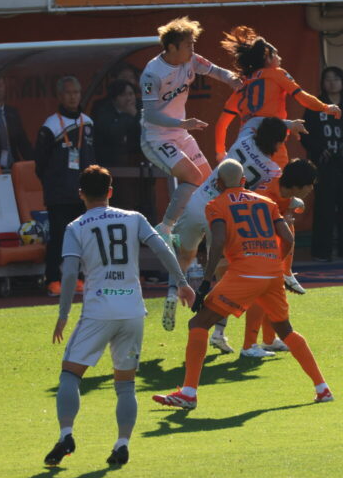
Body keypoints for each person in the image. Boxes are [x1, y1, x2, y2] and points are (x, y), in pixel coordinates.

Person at [43, 165, 194, 467]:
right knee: (125, 384)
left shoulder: (75, 227)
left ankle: (66, 435)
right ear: (111, 191)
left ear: (81, 194)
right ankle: (122, 444)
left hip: (98, 311)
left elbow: (70, 273)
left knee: (70, 374)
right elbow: (163, 249)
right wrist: (181, 282)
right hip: (132, 311)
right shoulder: (134, 218)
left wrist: (63, 313)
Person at [152, 159, 333, 410]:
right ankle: (322, 388)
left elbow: (217, 242)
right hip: (271, 272)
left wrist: (206, 281)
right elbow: (288, 238)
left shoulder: (216, 204)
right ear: (244, 181)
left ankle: (189, 393)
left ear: (217, 183)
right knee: (285, 330)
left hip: (245, 273)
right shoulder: (267, 202)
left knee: (198, 323)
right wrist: (275, 263)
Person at [214, 25, 341, 291]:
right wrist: (326, 107)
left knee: (243, 209)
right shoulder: (276, 74)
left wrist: (220, 152)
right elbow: (302, 97)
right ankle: (285, 271)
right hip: (270, 147)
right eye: (276, 53)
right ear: (268, 57)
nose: (280, 57)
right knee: (284, 208)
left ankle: (238, 266)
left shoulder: (243, 85)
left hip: (244, 150)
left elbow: (222, 122)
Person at [163, 117, 295, 354]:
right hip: (224, 214)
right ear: (277, 142)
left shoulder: (244, 139)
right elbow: (258, 197)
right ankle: (218, 333)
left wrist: (289, 123)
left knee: (184, 255)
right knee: (225, 278)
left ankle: (173, 292)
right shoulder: (272, 170)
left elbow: (255, 119)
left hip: (198, 204)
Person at [139, 17, 242, 248]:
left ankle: (197, 231)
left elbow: (217, 71)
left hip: (180, 132)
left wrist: (234, 80)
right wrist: (183, 123)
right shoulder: (152, 74)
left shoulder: (191, 60)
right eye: (188, 45)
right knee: (193, 178)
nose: (193, 49)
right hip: (156, 138)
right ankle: (165, 229)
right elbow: (151, 115)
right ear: (172, 47)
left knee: (210, 182)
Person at [240, 158, 318, 356]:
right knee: (260, 297)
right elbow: (261, 228)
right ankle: (248, 345)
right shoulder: (265, 197)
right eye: (309, 185)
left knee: (274, 297)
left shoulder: (283, 192)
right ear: (297, 185)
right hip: (256, 252)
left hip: (272, 254)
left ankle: (268, 340)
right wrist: (284, 220)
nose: (311, 189)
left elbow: (290, 208)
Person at [35, 76, 96, 297]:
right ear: (60, 96)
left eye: (76, 92)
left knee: (81, 239)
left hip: (83, 193)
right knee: (59, 237)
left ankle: (77, 278)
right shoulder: (50, 125)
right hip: (59, 194)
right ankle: (52, 279)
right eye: (68, 93)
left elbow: (93, 157)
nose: (73, 97)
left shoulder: (87, 123)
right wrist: (55, 182)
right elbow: (40, 163)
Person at [301, 66, 343, 262]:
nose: (332, 83)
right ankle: (322, 252)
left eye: (336, 79)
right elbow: (305, 134)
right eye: (327, 79)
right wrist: (318, 150)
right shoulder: (315, 106)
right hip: (325, 165)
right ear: (322, 83)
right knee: (324, 207)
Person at [92, 79, 146, 212]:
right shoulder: (104, 112)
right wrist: (127, 116)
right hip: (115, 172)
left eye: (131, 94)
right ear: (114, 98)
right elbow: (113, 134)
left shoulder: (141, 109)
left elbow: (148, 134)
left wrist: (135, 115)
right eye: (123, 95)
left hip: (141, 172)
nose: (129, 98)